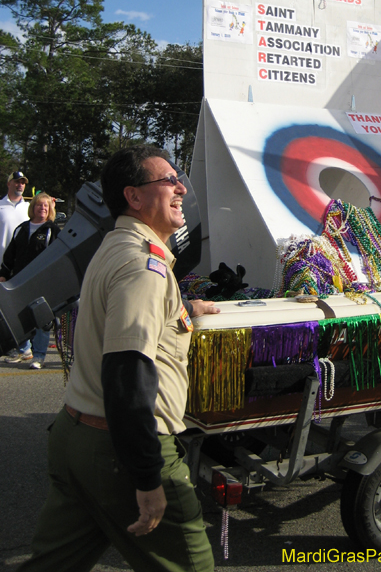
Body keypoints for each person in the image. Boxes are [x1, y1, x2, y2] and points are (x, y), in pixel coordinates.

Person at [18, 146, 220, 572]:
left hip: (77, 437)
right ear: (134, 196)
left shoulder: (116, 249)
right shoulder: (142, 267)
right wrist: (147, 477)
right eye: (169, 180)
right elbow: (127, 376)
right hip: (118, 451)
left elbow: (134, 317)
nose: (181, 186)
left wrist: (184, 308)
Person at [0, 192, 60, 368]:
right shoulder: (22, 228)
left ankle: (39, 356)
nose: (42, 208)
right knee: (20, 318)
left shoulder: (52, 230)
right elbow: (10, 255)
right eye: (38, 205)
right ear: (32, 207)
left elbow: (56, 259)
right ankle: (24, 350)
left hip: (41, 284)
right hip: (19, 281)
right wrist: (3, 272)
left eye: (45, 206)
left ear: (50, 210)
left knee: (42, 320)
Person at [0, 171, 34, 363]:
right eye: (16, 182)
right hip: (2, 265)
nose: (20, 185)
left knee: (17, 307)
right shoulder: (0, 206)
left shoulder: (29, 208)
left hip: (21, 265)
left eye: (23, 183)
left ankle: (22, 347)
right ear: (9, 184)